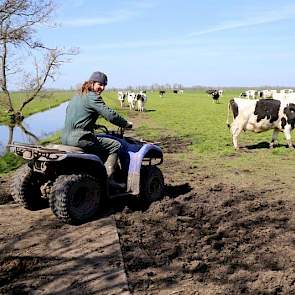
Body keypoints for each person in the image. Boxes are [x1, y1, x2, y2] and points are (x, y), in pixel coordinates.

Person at [61, 71, 132, 189]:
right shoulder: (92, 97)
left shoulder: (78, 95)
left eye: (104, 85)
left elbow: (75, 115)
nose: (102, 88)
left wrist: (91, 126)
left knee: (100, 145)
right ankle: (110, 180)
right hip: (80, 138)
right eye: (100, 84)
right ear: (92, 83)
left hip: (65, 137)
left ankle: (97, 172)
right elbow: (110, 115)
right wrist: (125, 124)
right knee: (115, 145)